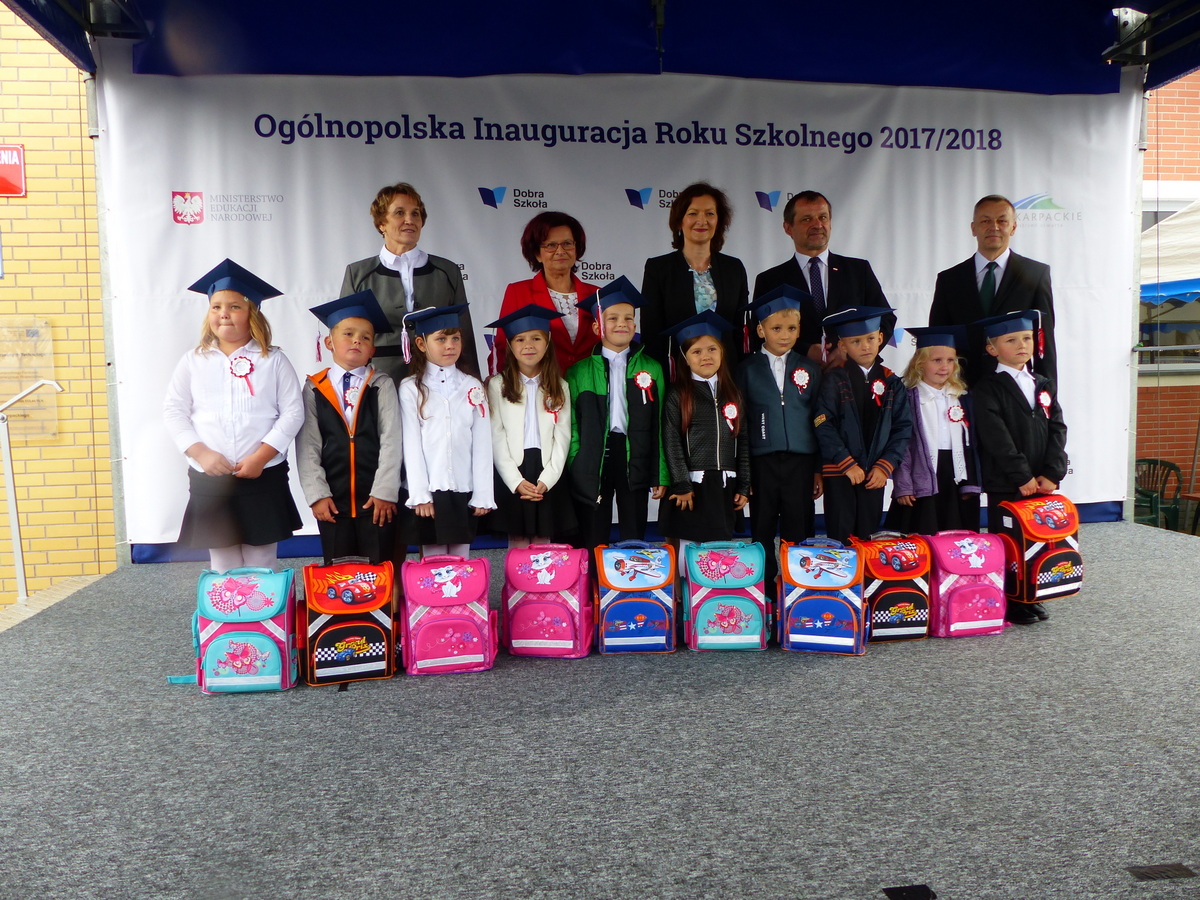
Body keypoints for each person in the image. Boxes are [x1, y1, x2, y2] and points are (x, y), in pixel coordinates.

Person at [163, 259, 303, 572]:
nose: (223, 313)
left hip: (263, 475)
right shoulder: (193, 361)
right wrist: (201, 453)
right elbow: (174, 410)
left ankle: (263, 606)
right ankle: (229, 607)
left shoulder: (273, 360)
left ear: (253, 313)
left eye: (234, 307)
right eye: (216, 307)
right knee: (223, 560)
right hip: (211, 477)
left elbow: (293, 412)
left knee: (261, 559)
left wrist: (261, 457)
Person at [971, 309, 1067, 624]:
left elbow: (1057, 428)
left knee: (1038, 540)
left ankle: (1032, 594)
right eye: (1011, 340)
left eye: (1026, 338)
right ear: (992, 348)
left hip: (1041, 481)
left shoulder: (1042, 383)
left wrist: (1052, 472)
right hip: (1008, 482)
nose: (1021, 345)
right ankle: (1011, 599)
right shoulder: (987, 387)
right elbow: (995, 436)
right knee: (1010, 543)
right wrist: (1021, 475)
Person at [296, 289, 401, 566]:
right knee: (337, 569)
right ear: (329, 342)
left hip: (375, 498)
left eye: (366, 337)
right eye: (348, 334)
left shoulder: (382, 384)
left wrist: (385, 491)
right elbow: (308, 445)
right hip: (332, 498)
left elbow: (392, 439)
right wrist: (317, 494)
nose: (357, 340)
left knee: (378, 567)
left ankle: (380, 602)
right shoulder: (314, 387)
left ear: (373, 349)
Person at [565, 276, 668, 550]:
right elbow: (571, 425)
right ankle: (594, 577)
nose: (621, 323)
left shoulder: (652, 368)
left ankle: (631, 577)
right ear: (597, 326)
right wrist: (576, 461)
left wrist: (660, 474)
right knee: (593, 534)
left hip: (635, 455)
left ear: (635, 325)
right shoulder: (578, 372)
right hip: (593, 456)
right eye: (612, 318)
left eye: (628, 318)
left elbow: (660, 425)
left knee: (634, 532)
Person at [734, 285, 823, 599]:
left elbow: (819, 420)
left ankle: (798, 588)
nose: (784, 335)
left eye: (791, 328)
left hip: (801, 460)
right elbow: (740, 423)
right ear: (760, 330)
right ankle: (763, 590)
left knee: (799, 525)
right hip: (762, 461)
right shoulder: (746, 370)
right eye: (776, 328)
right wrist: (744, 474)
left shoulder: (810, 368)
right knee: (762, 525)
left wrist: (818, 469)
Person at [341, 182, 480, 383]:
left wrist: (473, 383)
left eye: (415, 214)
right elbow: (347, 336)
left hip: (438, 381)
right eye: (399, 213)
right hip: (378, 381)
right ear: (381, 223)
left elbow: (464, 333)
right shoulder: (358, 273)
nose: (410, 220)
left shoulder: (447, 271)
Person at [398, 303, 494, 559]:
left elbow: (482, 443)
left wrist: (483, 493)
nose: (450, 345)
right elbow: (411, 444)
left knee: (462, 560)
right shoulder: (411, 388)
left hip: (464, 488)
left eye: (455, 338)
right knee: (434, 560)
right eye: (441, 339)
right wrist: (420, 494)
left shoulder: (472, 386)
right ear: (421, 344)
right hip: (431, 488)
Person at [929, 194, 1057, 384]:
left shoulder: (1035, 274)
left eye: (1002, 221)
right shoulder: (949, 279)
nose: (994, 227)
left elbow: (1044, 340)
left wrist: (1047, 391)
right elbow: (937, 339)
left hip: (1016, 387)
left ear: (1013, 227)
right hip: (962, 387)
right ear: (973, 228)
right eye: (985, 221)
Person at [753, 190, 891, 363]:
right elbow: (759, 332)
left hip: (851, 371)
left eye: (823, 217)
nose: (817, 224)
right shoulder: (770, 280)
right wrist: (806, 351)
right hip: (793, 372)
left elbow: (885, 319)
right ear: (788, 228)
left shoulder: (858, 270)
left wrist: (849, 352)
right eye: (807, 219)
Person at [815, 306, 913, 543]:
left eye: (870, 338)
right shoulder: (833, 380)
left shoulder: (892, 382)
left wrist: (885, 466)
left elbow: (902, 429)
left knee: (869, 536)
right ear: (843, 346)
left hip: (874, 473)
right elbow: (823, 423)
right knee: (840, 536)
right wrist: (846, 463)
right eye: (856, 341)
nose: (865, 346)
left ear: (880, 338)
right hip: (841, 472)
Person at [658, 311, 751, 547]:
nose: (705, 356)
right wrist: (681, 483)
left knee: (718, 550)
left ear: (722, 352)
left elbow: (743, 441)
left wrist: (743, 485)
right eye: (696, 351)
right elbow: (671, 440)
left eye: (712, 349)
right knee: (688, 549)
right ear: (685, 358)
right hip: (692, 486)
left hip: (724, 485)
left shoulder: (733, 394)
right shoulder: (678, 394)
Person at [486, 304, 575, 548]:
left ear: (547, 343)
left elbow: (563, 437)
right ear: (510, 346)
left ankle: (544, 577)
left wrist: (549, 478)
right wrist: (514, 481)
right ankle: (516, 576)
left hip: (547, 469)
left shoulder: (560, 386)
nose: (528, 345)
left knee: (543, 540)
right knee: (517, 538)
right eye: (520, 339)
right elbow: (496, 436)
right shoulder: (497, 385)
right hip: (513, 468)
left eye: (536, 338)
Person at [884, 325, 981, 535]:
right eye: (937, 360)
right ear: (919, 363)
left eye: (950, 360)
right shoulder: (908, 398)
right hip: (921, 475)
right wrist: (904, 485)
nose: (944, 366)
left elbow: (972, 443)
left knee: (956, 535)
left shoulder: (962, 397)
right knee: (921, 532)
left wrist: (971, 482)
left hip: (954, 476)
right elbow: (902, 445)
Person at [641, 182, 749, 370]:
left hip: (726, 373)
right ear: (679, 221)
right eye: (692, 213)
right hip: (677, 373)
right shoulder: (658, 268)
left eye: (710, 213)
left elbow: (740, 329)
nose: (702, 220)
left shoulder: (734, 268)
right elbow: (651, 332)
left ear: (719, 221)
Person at [492, 211, 600, 374]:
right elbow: (502, 347)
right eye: (551, 245)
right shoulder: (518, 292)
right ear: (537, 254)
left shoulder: (597, 294)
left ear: (576, 249)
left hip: (590, 384)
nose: (560, 251)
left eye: (567, 243)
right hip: (543, 385)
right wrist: (502, 384)